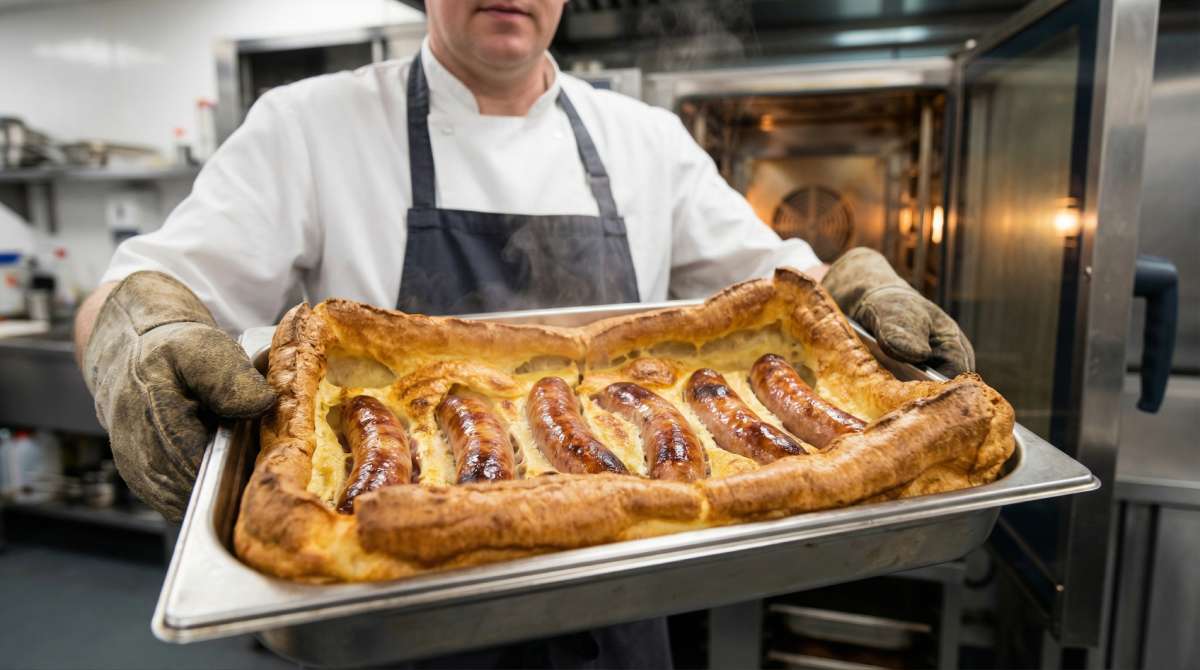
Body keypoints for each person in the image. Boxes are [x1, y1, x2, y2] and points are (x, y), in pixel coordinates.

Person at [74, 1, 974, 667]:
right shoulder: (307, 126)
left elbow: (777, 287)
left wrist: (852, 281)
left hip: (627, 587)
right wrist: (136, 335)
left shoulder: (644, 140)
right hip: (386, 609)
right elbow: (142, 291)